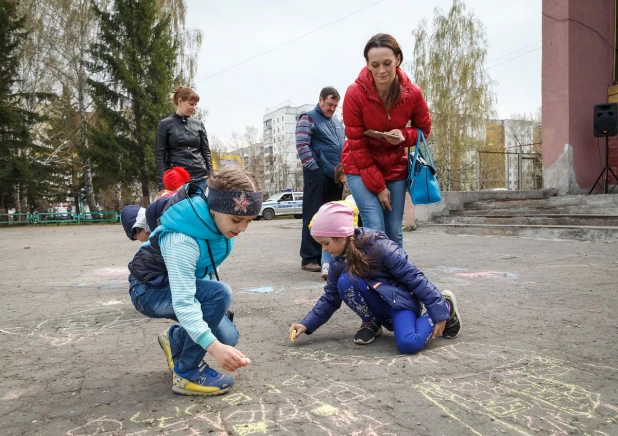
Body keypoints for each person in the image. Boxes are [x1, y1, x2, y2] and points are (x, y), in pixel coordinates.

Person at [127, 167, 262, 396]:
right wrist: (214, 348)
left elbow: (204, 272)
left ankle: (175, 339)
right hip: (148, 290)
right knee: (220, 295)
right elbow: (184, 301)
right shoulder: (182, 240)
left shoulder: (217, 226)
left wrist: (214, 339)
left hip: (171, 285)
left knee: (229, 337)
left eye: (249, 221)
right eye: (237, 219)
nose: (243, 228)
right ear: (213, 208)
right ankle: (187, 372)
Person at [289, 202, 461, 351]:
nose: (324, 249)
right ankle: (372, 321)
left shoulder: (382, 248)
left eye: (326, 243)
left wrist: (437, 309)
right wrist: (306, 324)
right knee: (345, 282)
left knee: (408, 344)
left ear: (344, 236)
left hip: (400, 302)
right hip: (379, 302)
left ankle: (445, 305)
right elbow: (330, 297)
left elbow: (414, 278)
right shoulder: (337, 261)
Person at [342, 33, 432, 248]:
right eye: (375, 64)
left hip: (393, 165)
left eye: (387, 63)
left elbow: (423, 130)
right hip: (359, 164)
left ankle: (397, 277)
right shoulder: (355, 93)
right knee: (375, 226)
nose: (381, 70)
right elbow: (356, 143)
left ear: (398, 60)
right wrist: (379, 187)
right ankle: (375, 278)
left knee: (394, 231)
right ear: (368, 65)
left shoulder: (412, 93)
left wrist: (403, 137)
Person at [296, 86, 345, 274]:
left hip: (335, 176)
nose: (332, 108)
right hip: (316, 175)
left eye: (335, 106)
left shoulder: (337, 123)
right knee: (313, 216)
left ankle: (330, 257)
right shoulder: (307, 117)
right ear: (321, 100)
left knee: (333, 218)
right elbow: (302, 144)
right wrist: (314, 169)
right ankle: (309, 258)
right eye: (330, 104)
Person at [155, 86, 213, 194]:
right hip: (177, 181)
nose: (194, 107)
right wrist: (162, 184)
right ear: (180, 101)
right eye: (191, 104)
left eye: (195, 104)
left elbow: (206, 152)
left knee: (202, 209)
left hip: (201, 178)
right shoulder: (164, 124)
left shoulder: (198, 124)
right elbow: (160, 155)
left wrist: (211, 176)